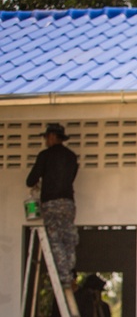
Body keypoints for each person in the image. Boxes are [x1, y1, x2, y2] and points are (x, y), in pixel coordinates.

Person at [27, 123, 80, 287]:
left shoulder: (45, 155)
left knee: (55, 239)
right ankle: (70, 273)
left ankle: (64, 277)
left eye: (46, 137)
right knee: (68, 239)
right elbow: (71, 178)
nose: (45, 141)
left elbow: (30, 180)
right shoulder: (71, 156)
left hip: (51, 203)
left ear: (51, 136)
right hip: (68, 203)